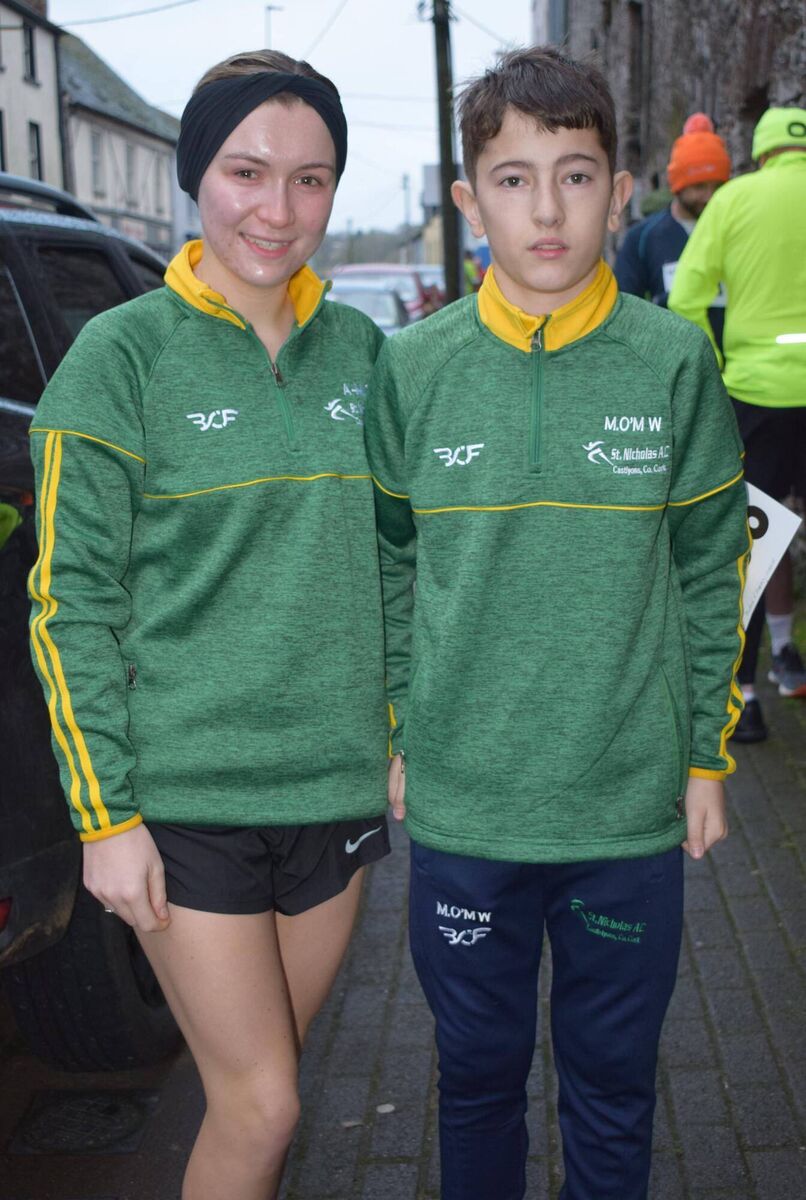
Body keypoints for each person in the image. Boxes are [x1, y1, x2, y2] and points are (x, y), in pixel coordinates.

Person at [364, 46, 749, 1200]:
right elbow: (385, 561)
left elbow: (702, 571)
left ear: (619, 189)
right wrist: (396, 726)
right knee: (475, 1076)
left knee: (611, 1083)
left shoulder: (673, 360)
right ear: (466, 196)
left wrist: (702, 759)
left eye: (574, 175)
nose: (546, 208)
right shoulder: (412, 368)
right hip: (466, 808)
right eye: (514, 177)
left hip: (624, 809)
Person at [28, 50, 389, 1200]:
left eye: (310, 178)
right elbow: (68, 602)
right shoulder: (118, 357)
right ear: (197, 176)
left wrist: (401, 731)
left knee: (260, 1097)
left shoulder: (366, 357)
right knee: (263, 1099)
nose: (277, 210)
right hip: (184, 802)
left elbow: (399, 560)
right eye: (246, 171)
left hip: (331, 790)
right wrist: (104, 817)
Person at [669, 106, 806, 743]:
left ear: (758, 151)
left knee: (748, 549)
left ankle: (743, 700)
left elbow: (685, 297)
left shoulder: (735, 200)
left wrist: (717, 369)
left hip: (757, 397)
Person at [615, 113, 730, 348]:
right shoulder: (643, 238)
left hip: (735, 370)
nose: (708, 197)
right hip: (669, 369)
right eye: (698, 187)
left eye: (717, 186)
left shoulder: (738, 233)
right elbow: (623, 313)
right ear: (676, 185)